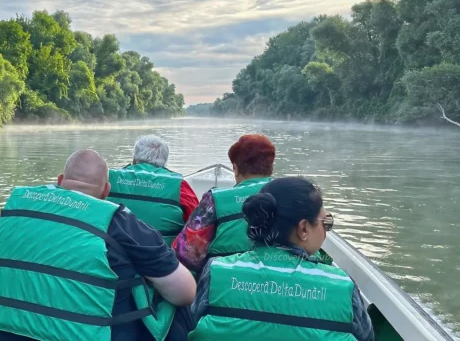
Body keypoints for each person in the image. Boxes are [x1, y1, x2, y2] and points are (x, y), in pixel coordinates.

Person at [0, 149, 197, 341]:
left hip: (5, 334)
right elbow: (185, 292)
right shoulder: (119, 221)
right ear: (106, 191)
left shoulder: (14, 210)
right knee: (176, 306)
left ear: (60, 180)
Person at [187, 177, 375, 341]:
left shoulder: (216, 270)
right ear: (303, 229)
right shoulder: (342, 285)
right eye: (326, 223)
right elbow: (367, 337)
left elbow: (192, 322)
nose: (326, 230)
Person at [173, 134, 275, 274]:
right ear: (271, 167)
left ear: (235, 168)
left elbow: (187, 254)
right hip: (279, 283)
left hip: (227, 283)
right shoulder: (293, 195)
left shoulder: (215, 199)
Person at [107, 135, 198, 245]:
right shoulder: (179, 185)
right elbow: (198, 223)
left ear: (134, 158)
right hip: (163, 255)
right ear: (164, 161)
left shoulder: (111, 178)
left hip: (115, 253)